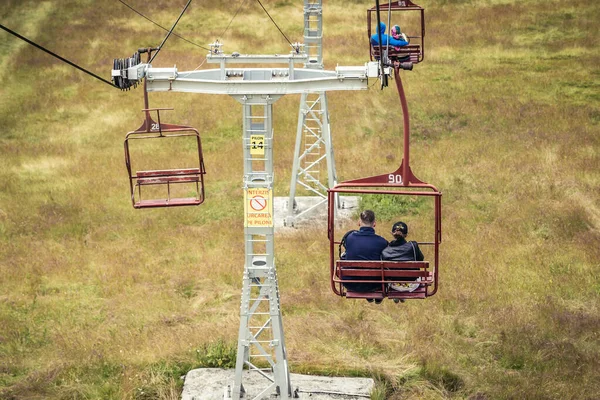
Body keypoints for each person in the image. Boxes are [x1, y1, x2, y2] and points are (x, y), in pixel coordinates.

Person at [342, 210, 388, 303]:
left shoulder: (349, 238)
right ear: (374, 224)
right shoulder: (382, 242)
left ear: (359, 222)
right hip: (375, 284)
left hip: (351, 283)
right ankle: (376, 296)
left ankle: (370, 295)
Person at [381, 221, 424, 293]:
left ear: (392, 233)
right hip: (412, 283)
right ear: (406, 235)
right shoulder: (413, 246)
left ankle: (399, 295)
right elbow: (421, 259)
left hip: (394, 284)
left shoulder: (385, 251)